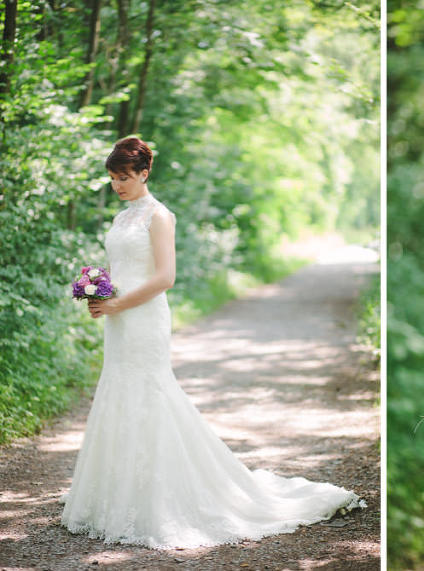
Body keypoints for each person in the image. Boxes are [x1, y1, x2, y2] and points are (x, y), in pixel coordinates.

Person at [61, 137, 363, 549]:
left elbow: (165, 277)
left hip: (144, 317)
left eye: (124, 178)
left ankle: (160, 496)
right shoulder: (120, 218)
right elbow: (122, 267)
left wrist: (118, 303)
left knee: (150, 391)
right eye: (113, 179)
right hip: (119, 319)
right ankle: (116, 494)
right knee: (118, 388)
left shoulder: (159, 216)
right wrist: (99, 291)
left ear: (144, 174)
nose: (118, 186)